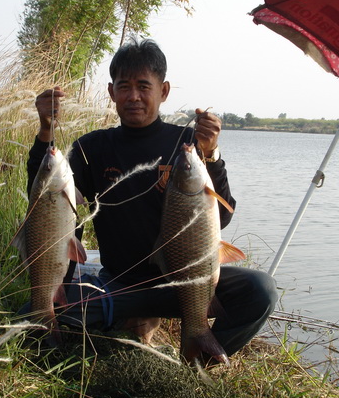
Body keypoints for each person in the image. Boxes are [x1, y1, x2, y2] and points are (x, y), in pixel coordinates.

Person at [23, 39, 277, 362]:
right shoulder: (92, 148)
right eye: (124, 87)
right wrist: (46, 130)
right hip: (118, 285)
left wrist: (211, 154)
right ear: (111, 92)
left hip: (185, 285)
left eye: (144, 86)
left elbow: (221, 218)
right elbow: (43, 201)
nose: (134, 96)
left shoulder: (187, 144)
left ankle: (196, 362)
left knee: (261, 291)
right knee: (31, 316)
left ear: (164, 90)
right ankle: (116, 333)